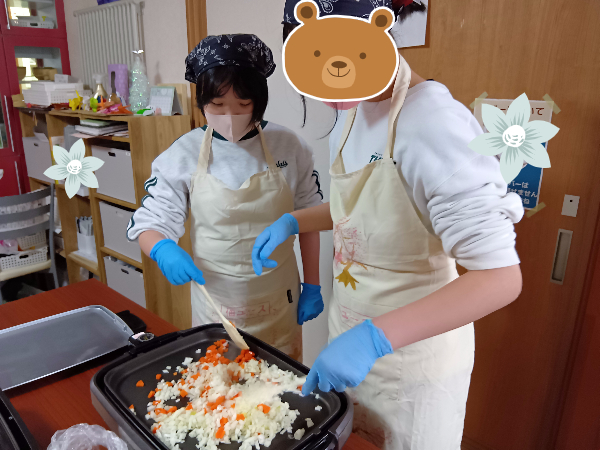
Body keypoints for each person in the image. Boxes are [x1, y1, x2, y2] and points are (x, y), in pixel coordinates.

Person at [252, 2, 525, 448]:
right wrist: (294, 221)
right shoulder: (353, 109)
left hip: (411, 366)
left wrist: (376, 339)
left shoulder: (434, 123)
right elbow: (364, 208)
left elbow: (500, 277)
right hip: (351, 339)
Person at [127, 34, 324, 361]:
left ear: (259, 101)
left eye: (243, 105)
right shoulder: (184, 153)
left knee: (281, 383)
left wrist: (313, 286)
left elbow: (311, 218)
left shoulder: (289, 146)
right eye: (217, 106)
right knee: (218, 385)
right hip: (217, 305)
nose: (230, 116)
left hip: (279, 298)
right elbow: (150, 223)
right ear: (201, 101)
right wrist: (162, 249)